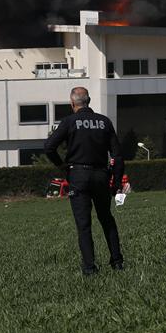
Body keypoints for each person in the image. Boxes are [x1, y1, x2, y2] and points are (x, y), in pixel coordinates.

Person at [44, 86, 124, 275]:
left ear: (72, 104)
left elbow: (49, 147)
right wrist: (117, 181)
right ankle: (117, 261)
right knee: (106, 219)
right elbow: (118, 156)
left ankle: (89, 267)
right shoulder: (104, 122)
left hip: (78, 175)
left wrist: (62, 166)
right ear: (88, 102)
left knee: (84, 223)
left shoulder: (69, 122)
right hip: (101, 175)